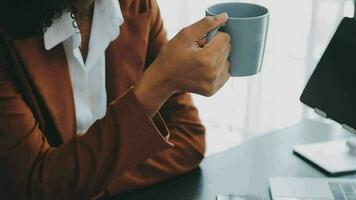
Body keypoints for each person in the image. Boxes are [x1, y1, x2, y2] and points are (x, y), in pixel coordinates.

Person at [0, 0, 231, 199]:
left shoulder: (137, 6)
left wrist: (80, 183)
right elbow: (33, 187)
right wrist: (158, 85)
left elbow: (188, 139)